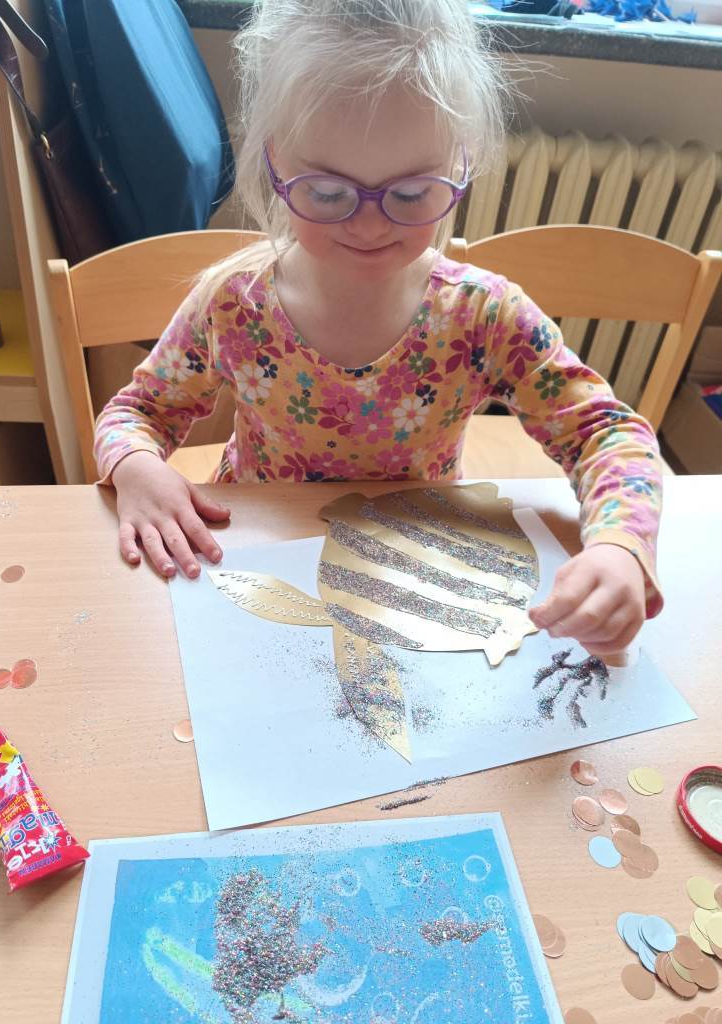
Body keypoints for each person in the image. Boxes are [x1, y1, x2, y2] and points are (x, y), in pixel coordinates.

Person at [94, 0, 662, 658]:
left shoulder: (483, 316)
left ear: (461, 163)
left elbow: (607, 434)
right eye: (328, 192)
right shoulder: (233, 305)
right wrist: (135, 467)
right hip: (252, 564)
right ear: (275, 163)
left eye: (411, 194)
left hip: (418, 578)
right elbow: (136, 411)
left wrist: (621, 547)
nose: (368, 225)